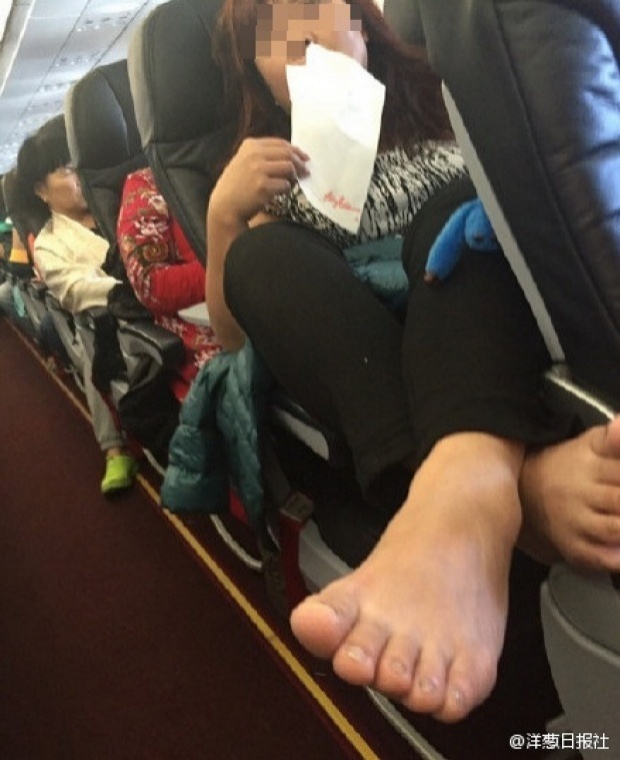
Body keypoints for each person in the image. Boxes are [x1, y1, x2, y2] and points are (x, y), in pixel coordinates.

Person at [202, 0, 620, 724]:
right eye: (287, 50)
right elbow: (237, 344)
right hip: (370, 349)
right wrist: (223, 221)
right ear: (263, 81)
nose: (313, 53)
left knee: (463, 209)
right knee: (260, 258)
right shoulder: (262, 177)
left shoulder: (449, 106)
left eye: (327, 31)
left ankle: (471, 488)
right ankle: (502, 498)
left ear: (368, 37)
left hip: (479, 314)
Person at [16, 115, 138, 496]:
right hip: (118, 320)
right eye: (65, 171)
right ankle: (113, 446)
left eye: (76, 164)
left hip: (162, 297)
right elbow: (75, 290)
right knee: (89, 331)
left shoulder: (118, 199)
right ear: (41, 190)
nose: (78, 175)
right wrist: (136, 287)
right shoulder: (51, 243)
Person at [117, 166, 221, 400]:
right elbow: (150, 284)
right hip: (206, 331)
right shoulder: (147, 185)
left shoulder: (249, 153)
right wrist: (232, 266)